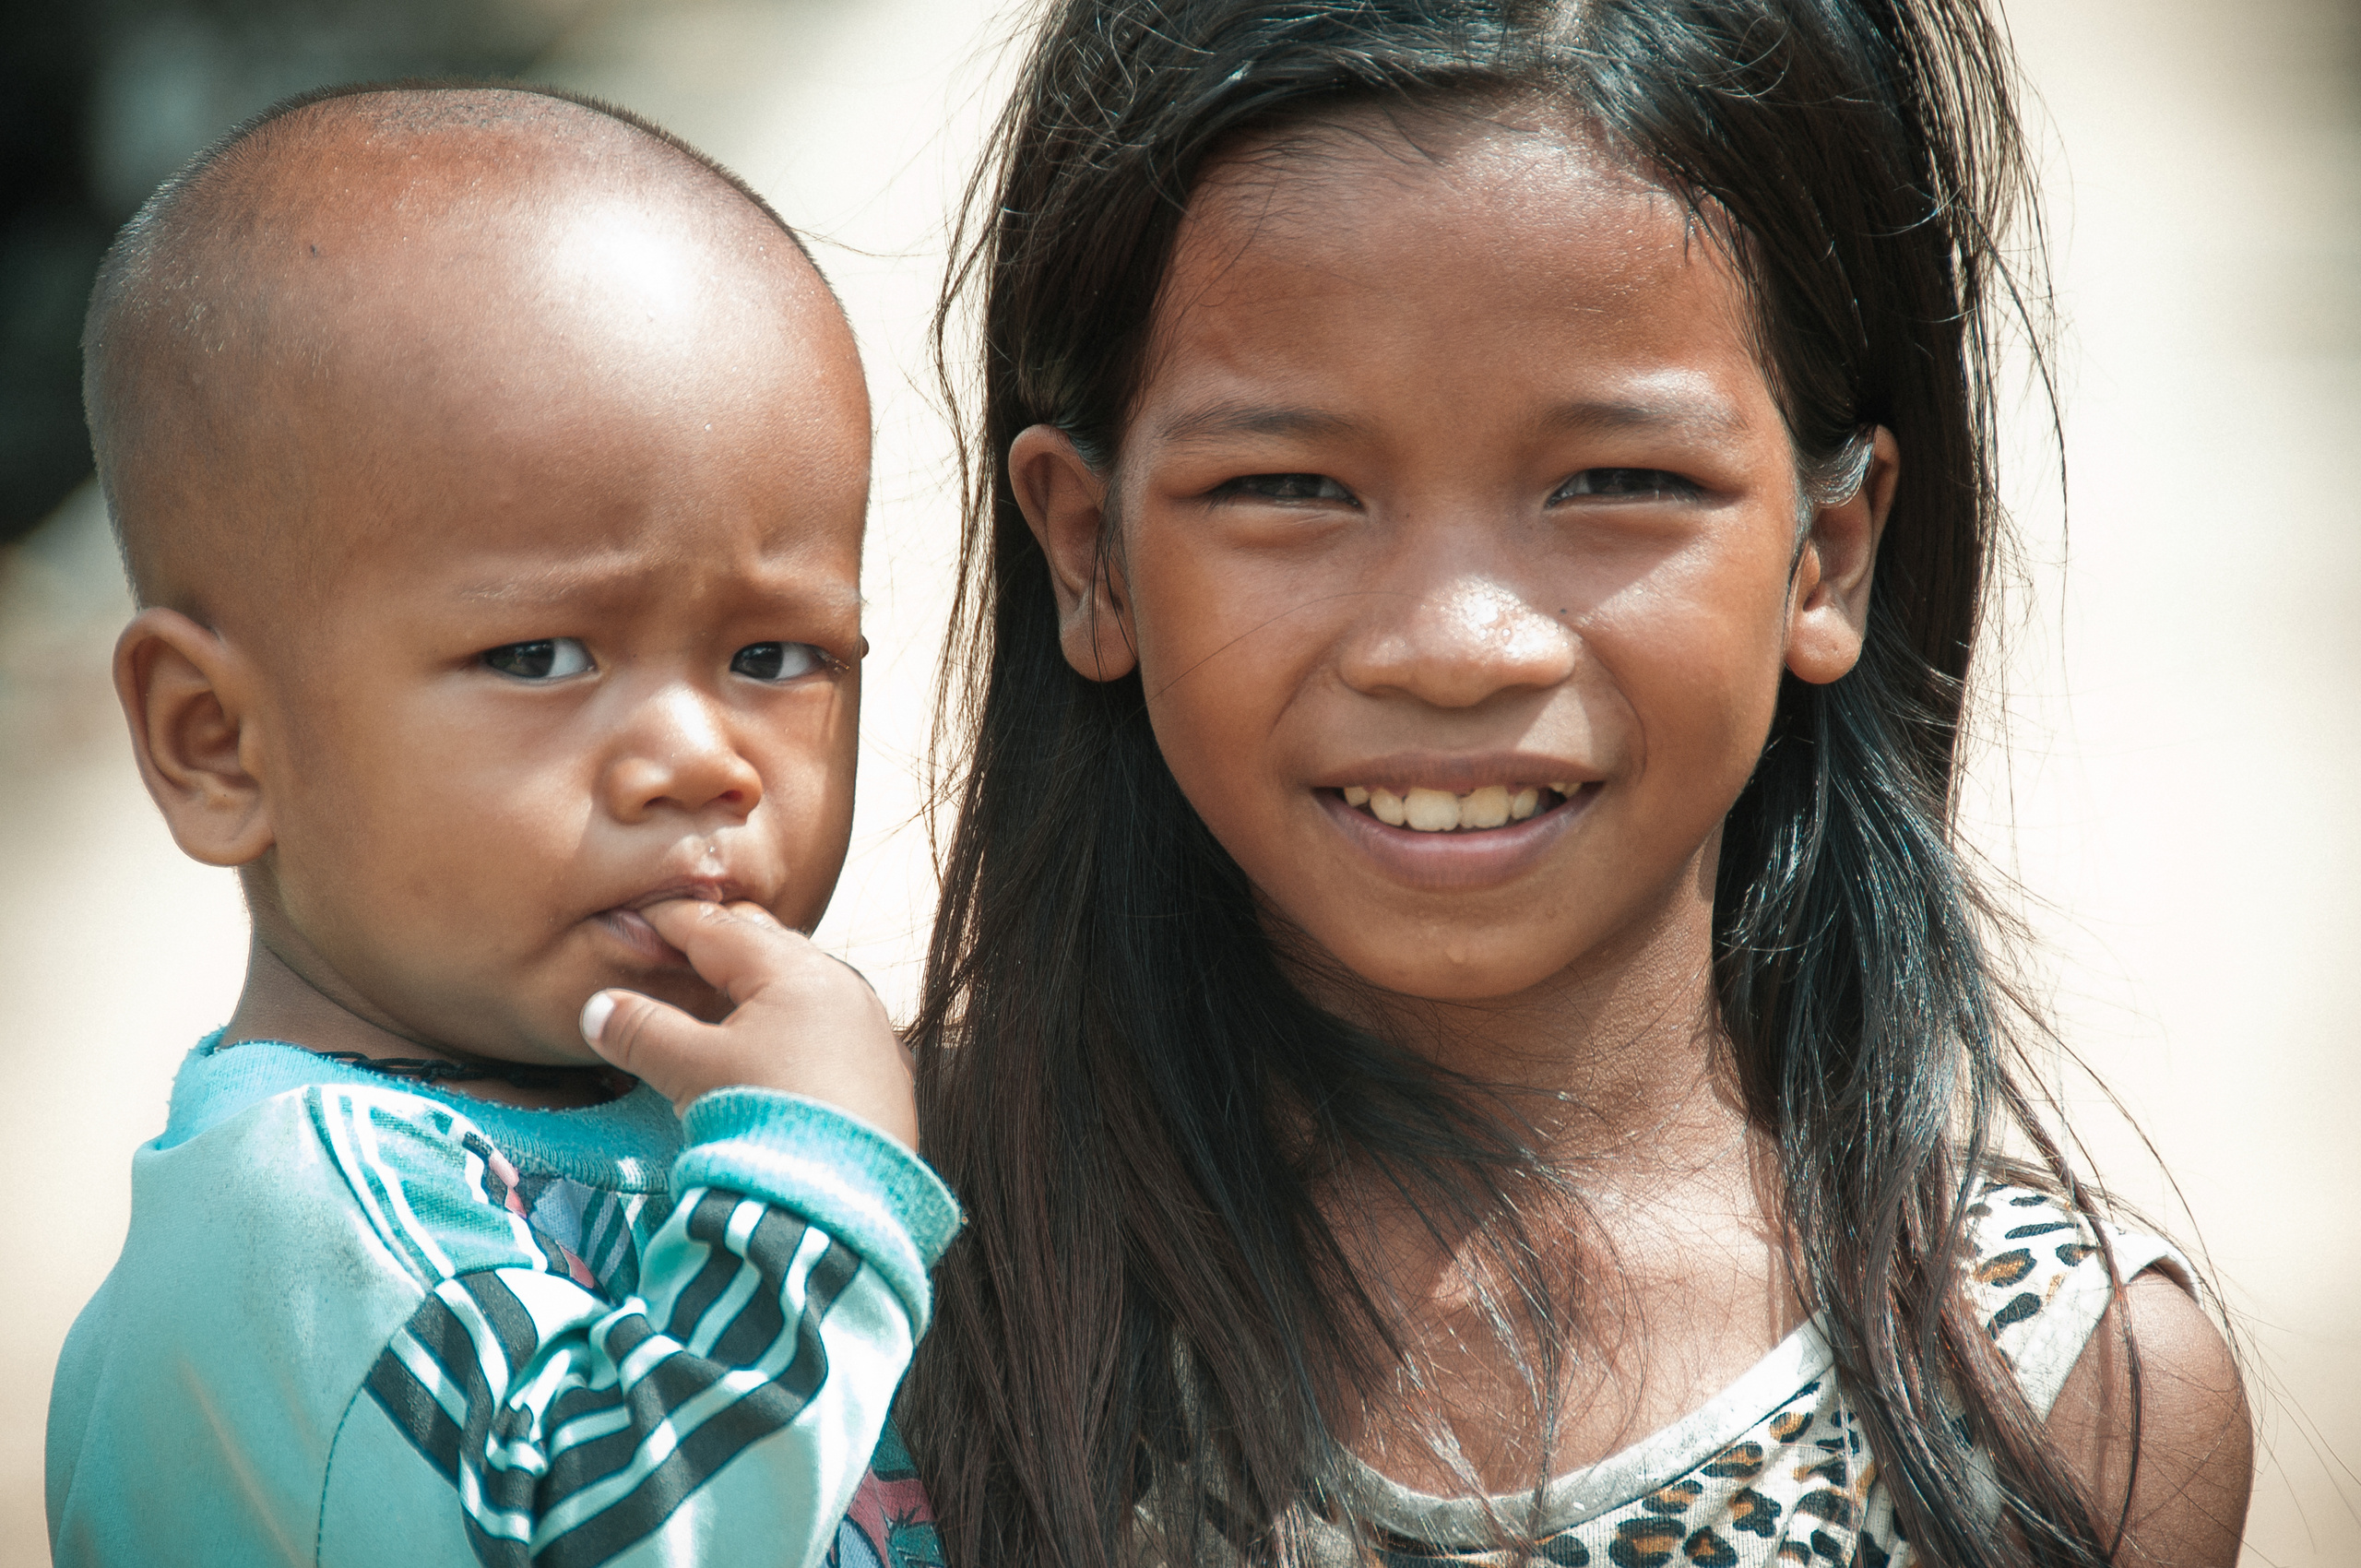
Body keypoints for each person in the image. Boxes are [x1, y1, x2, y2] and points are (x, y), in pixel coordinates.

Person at [898, 2, 2252, 1564]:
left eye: (1619, 483)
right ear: (1090, 553)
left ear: (1829, 555)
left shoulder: (2037, 1395)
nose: (1454, 646)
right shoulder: (835, 1247)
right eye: (1286, 487)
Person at [46, 83, 956, 1568]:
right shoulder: (291, 1221)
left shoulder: (674, 1122)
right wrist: (819, 1182)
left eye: (774, 657)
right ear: (218, 744)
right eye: (539, 657)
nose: (697, 760)